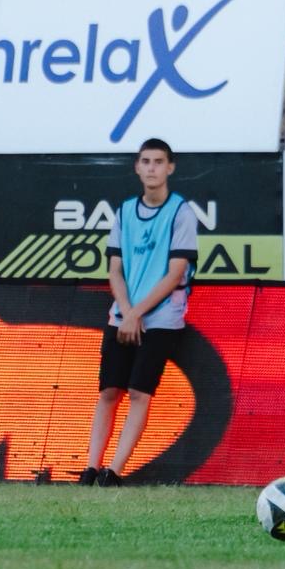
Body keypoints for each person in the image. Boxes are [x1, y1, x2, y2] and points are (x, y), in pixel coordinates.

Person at [80, 138, 199, 487]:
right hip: (123, 315)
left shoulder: (181, 213)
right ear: (136, 167)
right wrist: (127, 312)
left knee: (139, 393)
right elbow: (115, 269)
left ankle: (114, 471)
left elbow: (175, 274)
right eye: (145, 161)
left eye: (158, 162)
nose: (151, 168)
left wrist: (137, 314)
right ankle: (90, 467)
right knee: (108, 392)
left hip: (161, 318)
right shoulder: (124, 211)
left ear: (170, 167)